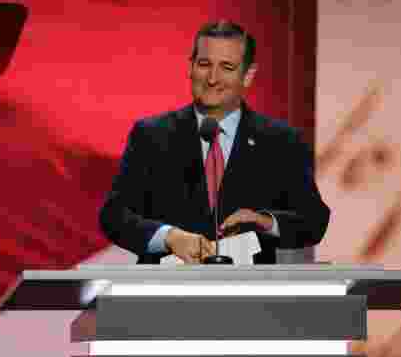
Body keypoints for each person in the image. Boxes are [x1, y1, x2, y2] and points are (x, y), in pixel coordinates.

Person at [99, 20, 330, 264]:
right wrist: (169, 237)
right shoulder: (151, 135)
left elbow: (314, 221)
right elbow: (114, 215)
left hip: (247, 295)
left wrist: (264, 221)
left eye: (227, 67)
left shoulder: (280, 141)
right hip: (165, 293)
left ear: (248, 75)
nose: (212, 78)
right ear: (190, 67)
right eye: (204, 64)